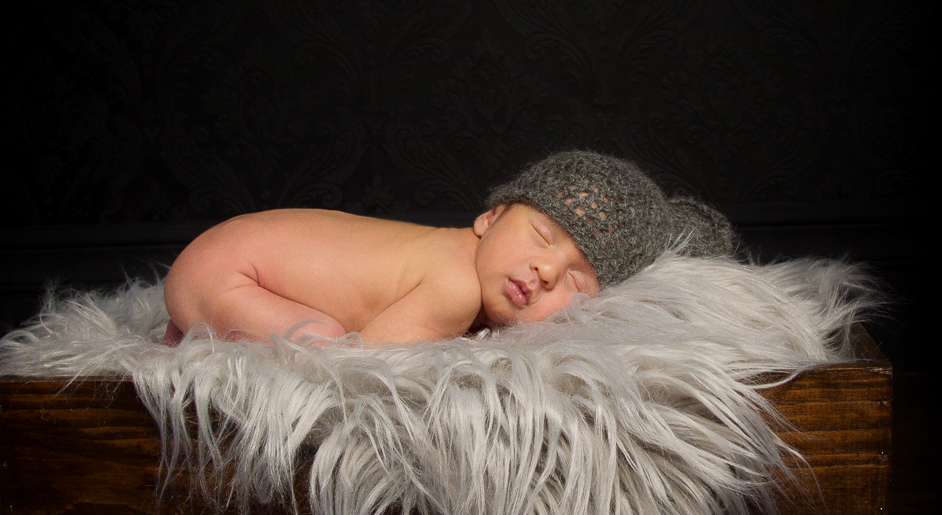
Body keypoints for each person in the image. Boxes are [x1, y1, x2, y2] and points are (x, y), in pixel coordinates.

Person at [162, 150, 735, 346]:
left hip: (224, 250)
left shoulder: (450, 253)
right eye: (543, 235)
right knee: (326, 347)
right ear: (489, 216)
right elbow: (378, 365)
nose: (545, 268)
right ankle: (196, 321)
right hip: (228, 272)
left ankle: (190, 325)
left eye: (576, 283)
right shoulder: (456, 286)